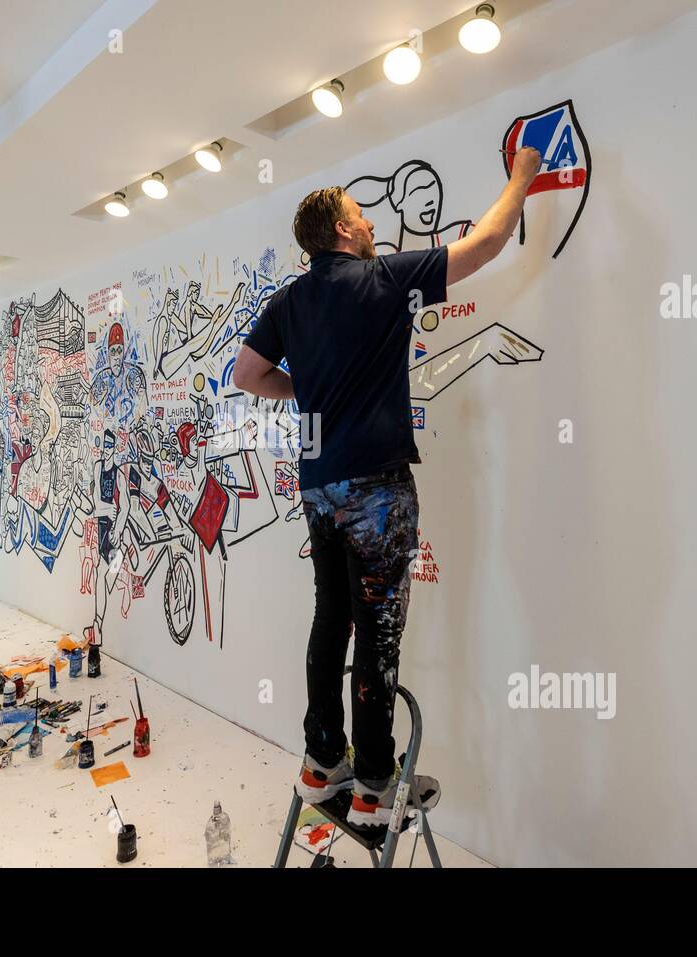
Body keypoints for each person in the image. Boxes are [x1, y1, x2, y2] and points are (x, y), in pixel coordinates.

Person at [232, 146, 543, 827]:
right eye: (359, 214)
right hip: (375, 489)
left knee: (330, 619)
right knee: (377, 632)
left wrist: (306, 395)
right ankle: (374, 784)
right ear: (343, 232)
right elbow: (486, 243)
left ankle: (322, 762)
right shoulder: (381, 281)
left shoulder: (289, 302)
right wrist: (522, 176)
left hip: (318, 489)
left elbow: (245, 375)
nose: (370, 221)